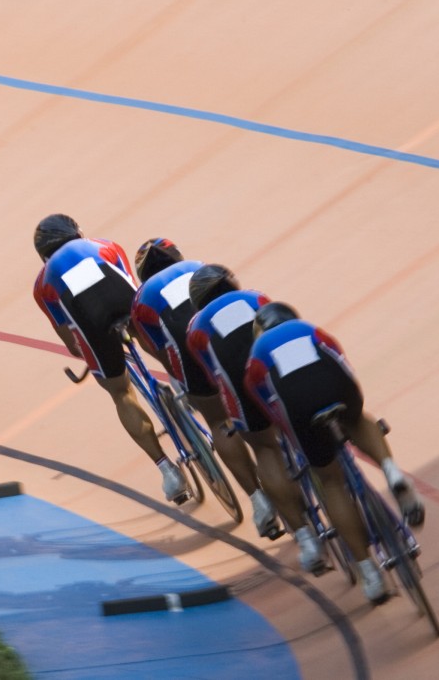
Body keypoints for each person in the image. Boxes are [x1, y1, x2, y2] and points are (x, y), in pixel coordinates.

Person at [244, 301, 425, 604]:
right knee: (357, 417)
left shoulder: (255, 359)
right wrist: (350, 410)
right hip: (337, 386)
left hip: (298, 406)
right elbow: (344, 366)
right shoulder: (310, 329)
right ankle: (392, 472)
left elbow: (272, 413)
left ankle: (370, 573)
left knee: (329, 481)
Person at [32, 214, 189, 504]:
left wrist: (91, 353)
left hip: (90, 321)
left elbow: (71, 340)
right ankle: (182, 385)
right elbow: (135, 291)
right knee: (146, 332)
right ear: (76, 232)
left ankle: (168, 472)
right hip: (123, 298)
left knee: (121, 392)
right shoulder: (104, 245)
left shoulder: (41, 285)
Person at [129, 238, 278, 536]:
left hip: (191, 354)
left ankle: (259, 500)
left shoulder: (142, 298)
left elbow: (157, 348)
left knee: (220, 421)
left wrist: (177, 377)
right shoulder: (199, 268)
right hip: (237, 337)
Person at [185, 264, 324, 573]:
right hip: (284, 367)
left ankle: (306, 539)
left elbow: (213, 376)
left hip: (240, 384)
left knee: (264, 448)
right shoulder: (256, 297)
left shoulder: (196, 327)